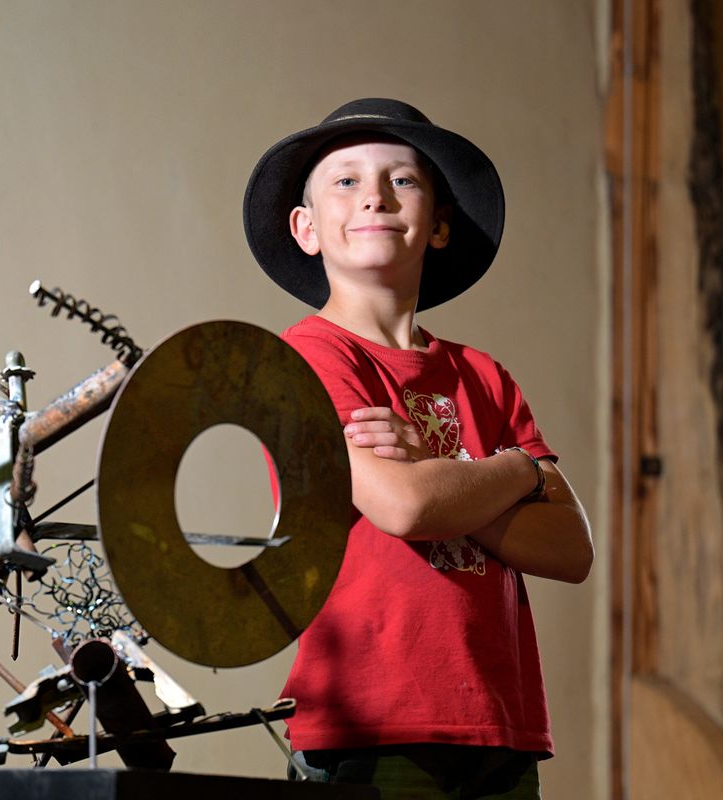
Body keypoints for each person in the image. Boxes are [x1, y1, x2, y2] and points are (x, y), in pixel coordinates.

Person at [242, 98, 593, 797]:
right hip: (370, 724)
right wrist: (517, 471)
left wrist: (461, 478)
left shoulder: (485, 376)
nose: (374, 194)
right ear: (306, 228)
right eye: (345, 180)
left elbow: (571, 549)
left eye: (402, 179)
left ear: (437, 225)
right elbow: (403, 507)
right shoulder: (306, 359)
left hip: (499, 722)